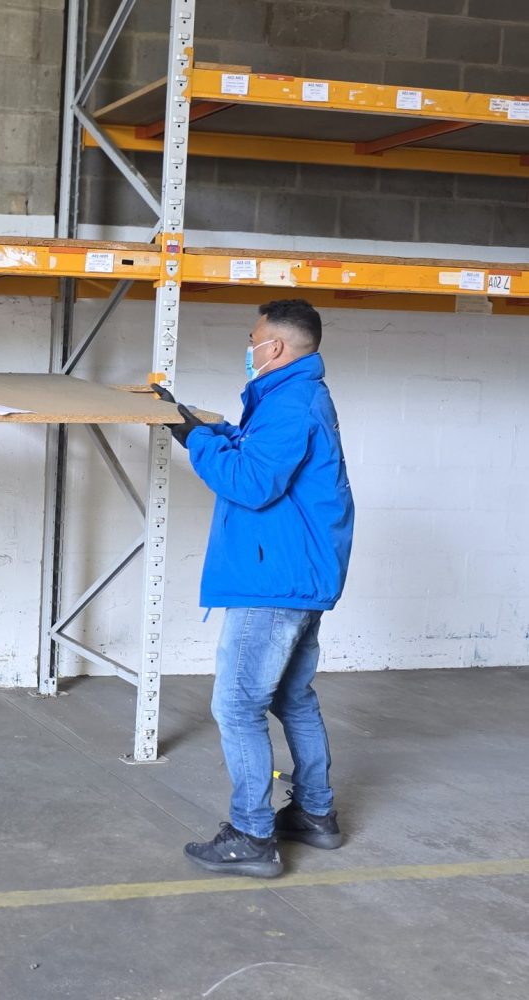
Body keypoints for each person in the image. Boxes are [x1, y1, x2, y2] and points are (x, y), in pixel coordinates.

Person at [158, 298, 354, 879]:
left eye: (253, 340)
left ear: (275, 348)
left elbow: (251, 480)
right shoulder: (293, 397)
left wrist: (193, 441)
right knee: (292, 697)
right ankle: (315, 815)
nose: (248, 350)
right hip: (296, 575)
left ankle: (252, 834)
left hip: (275, 582)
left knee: (236, 705)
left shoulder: (291, 402)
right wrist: (201, 427)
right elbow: (252, 450)